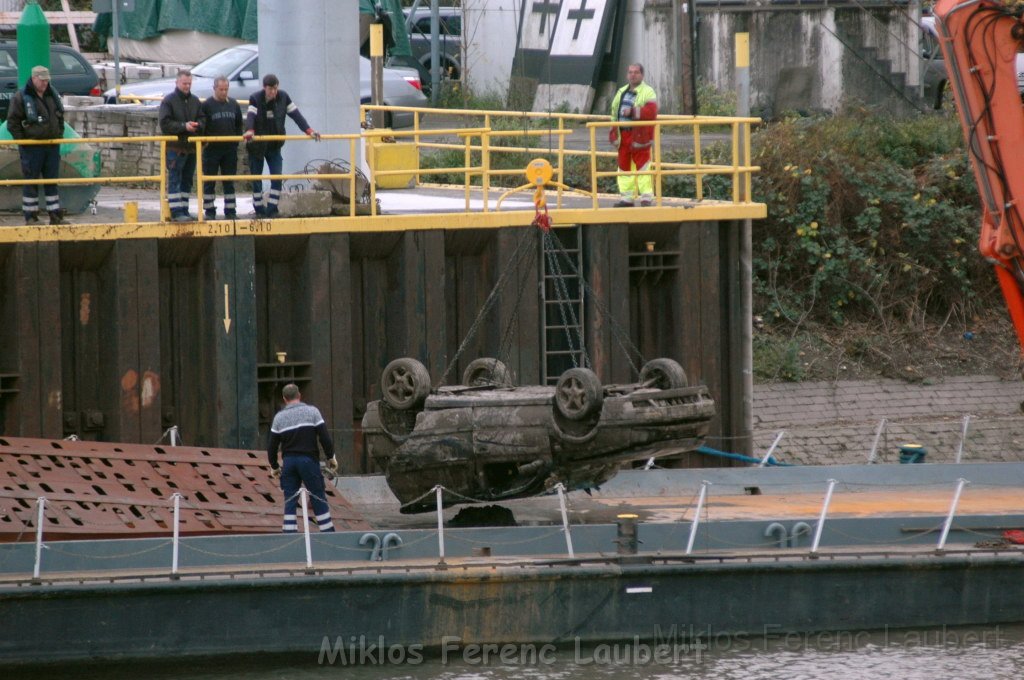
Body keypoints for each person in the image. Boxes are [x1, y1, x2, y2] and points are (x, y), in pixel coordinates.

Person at [243, 74, 320, 218]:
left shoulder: (283, 97)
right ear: (264, 88)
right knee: (256, 178)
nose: (273, 92)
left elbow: (296, 115)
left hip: (274, 145)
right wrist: (250, 130)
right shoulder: (255, 98)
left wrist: (309, 130)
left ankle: (272, 208)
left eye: (275, 88)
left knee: (277, 177)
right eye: (270, 89)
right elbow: (251, 116)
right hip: (257, 146)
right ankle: (259, 208)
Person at [266, 383, 337, 533]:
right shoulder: (313, 412)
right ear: (299, 396)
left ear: (285, 399)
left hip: (289, 463)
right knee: (317, 495)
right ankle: (328, 533)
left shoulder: (279, 418)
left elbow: (272, 447)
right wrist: (331, 457)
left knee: (290, 499)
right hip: (308, 461)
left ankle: (290, 533)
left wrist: (274, 466)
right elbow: (325, 438)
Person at [7, 65, 66, 225]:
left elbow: (60, 117)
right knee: (31, 180)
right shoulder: (21, 97)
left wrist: (58, 134)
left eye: (47, 80)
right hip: (31, 147)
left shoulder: (52, 95)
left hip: (52, 145)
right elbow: (12, 123)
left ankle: (55, 214)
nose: (45, 83)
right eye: (42, 80)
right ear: (34, 79)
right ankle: (31, 216)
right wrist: (23, 142)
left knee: (51, 180)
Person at [608, 63, 659, 207]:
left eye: (636, 72)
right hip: (623, 135)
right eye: (630, 72)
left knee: (643, 166)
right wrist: (613, 132)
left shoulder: (648, 92)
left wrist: (633, 111)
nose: (633, 75)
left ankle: (646, 198)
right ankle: (627, 198)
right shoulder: (621, 91)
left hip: (639, 136)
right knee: (623, 167)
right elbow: (614, 114)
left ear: (642, 75)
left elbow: (651, 112)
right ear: (627, 75)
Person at [158, 69, 205, 222]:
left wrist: (198, 125)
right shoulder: (168, 101)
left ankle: (184, 208)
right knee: (174, 178)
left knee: (187, 179)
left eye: (189, 84)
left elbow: (203, 118)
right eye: (184, 83)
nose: (187, 86)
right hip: (175, 148)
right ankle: (176, 211)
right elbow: (165, 124)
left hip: (191, 147)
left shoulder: (195, 101)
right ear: (177, 82)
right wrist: (184, 126)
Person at [199, 76, 243, 219]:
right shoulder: (206, 106)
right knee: (209, 181)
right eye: (221, 89)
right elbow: (202, 126)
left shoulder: (234, 105)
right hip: (212, 149)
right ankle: (210, 211)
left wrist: (235, 143)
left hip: (229, 149)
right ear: (214, 89)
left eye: (226, 89)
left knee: (229, 181)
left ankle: (230, 211)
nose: (224, 92)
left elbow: (238, 125)